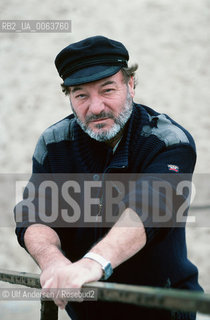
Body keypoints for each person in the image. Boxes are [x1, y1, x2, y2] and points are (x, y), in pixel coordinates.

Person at [15, 35, 203, 320]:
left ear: (130, 85)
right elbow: (35, 214)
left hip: (165, 311)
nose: (96, 107)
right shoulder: (54, 143)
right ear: (69, 96)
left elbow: (151, 207)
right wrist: (52, 262)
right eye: (81, 95)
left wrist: (93, 263)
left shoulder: (167, 140)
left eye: (107, 90)